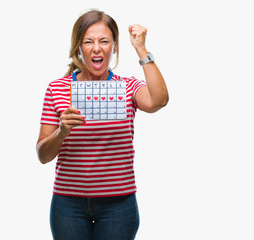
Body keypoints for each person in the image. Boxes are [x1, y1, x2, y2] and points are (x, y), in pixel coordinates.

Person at [36, 9, 169, 240]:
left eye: (104, 41)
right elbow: (43, 155)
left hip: (119, 204)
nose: (96, 48)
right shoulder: (56, 89)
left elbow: (159, 100)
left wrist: (141, 49)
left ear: (114, 47)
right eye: (88, 42)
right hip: (68, 204)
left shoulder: (127, 87)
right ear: (79, 47)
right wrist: (61, 131)